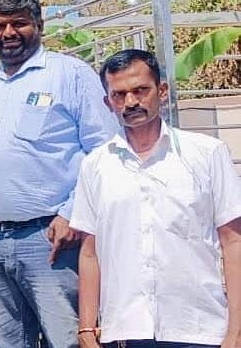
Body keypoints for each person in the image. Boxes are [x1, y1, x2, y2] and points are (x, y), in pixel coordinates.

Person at [0, 0, 118, 348]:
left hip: (51, 241)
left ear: (39, 25)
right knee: (3, 344)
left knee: (65, 341)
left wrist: (72, 213)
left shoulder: (70, 74)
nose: (8, 34)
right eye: (0, 26)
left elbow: (104, 151)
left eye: (20, 24)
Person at [70, 49, 241, 348]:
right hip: (123, 331)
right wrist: (86, 329)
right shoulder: (96, 165)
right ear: (108, 102)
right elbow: (89, 252)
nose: (131, 102)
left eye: (140, 90)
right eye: (119, 95)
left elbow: (233, 242)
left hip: (197, 329)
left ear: (161, 92)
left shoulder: (206, 154)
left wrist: (235, 332)